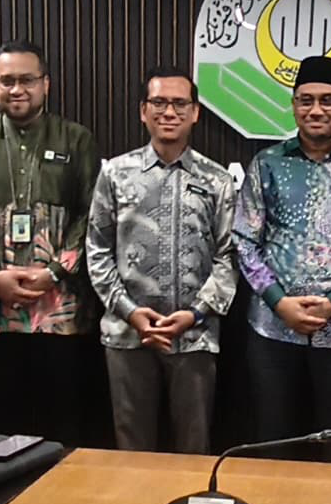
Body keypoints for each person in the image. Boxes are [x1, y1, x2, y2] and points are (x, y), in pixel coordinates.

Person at [231, 54, 331, 461]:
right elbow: (245, 240)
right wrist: (279, 302)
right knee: (273, 440)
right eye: (306, 100)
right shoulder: (267, 163)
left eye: (327, 100)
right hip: (273, 327)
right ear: (293, 105)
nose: (316, 110)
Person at [0, 40, 101, 443]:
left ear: (46, 84)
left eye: (27, 80)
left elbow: (92, 215)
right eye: (7, 81)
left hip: (58, 310)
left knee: (60, 430)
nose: (17, 89)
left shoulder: (76, 140)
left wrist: (54, 271)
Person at [85, 67, 239, 452]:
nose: (169, 112)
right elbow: (97, 249)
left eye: (179, 103)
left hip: (194, 336)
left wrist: (196, 313)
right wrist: (130, 312)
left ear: (195, 112)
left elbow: (229, 256)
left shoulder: (217, 180)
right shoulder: (115, 174)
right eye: (158, 102)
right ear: (143, 111)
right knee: (132, 450)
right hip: (127, 333)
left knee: (194, 449)